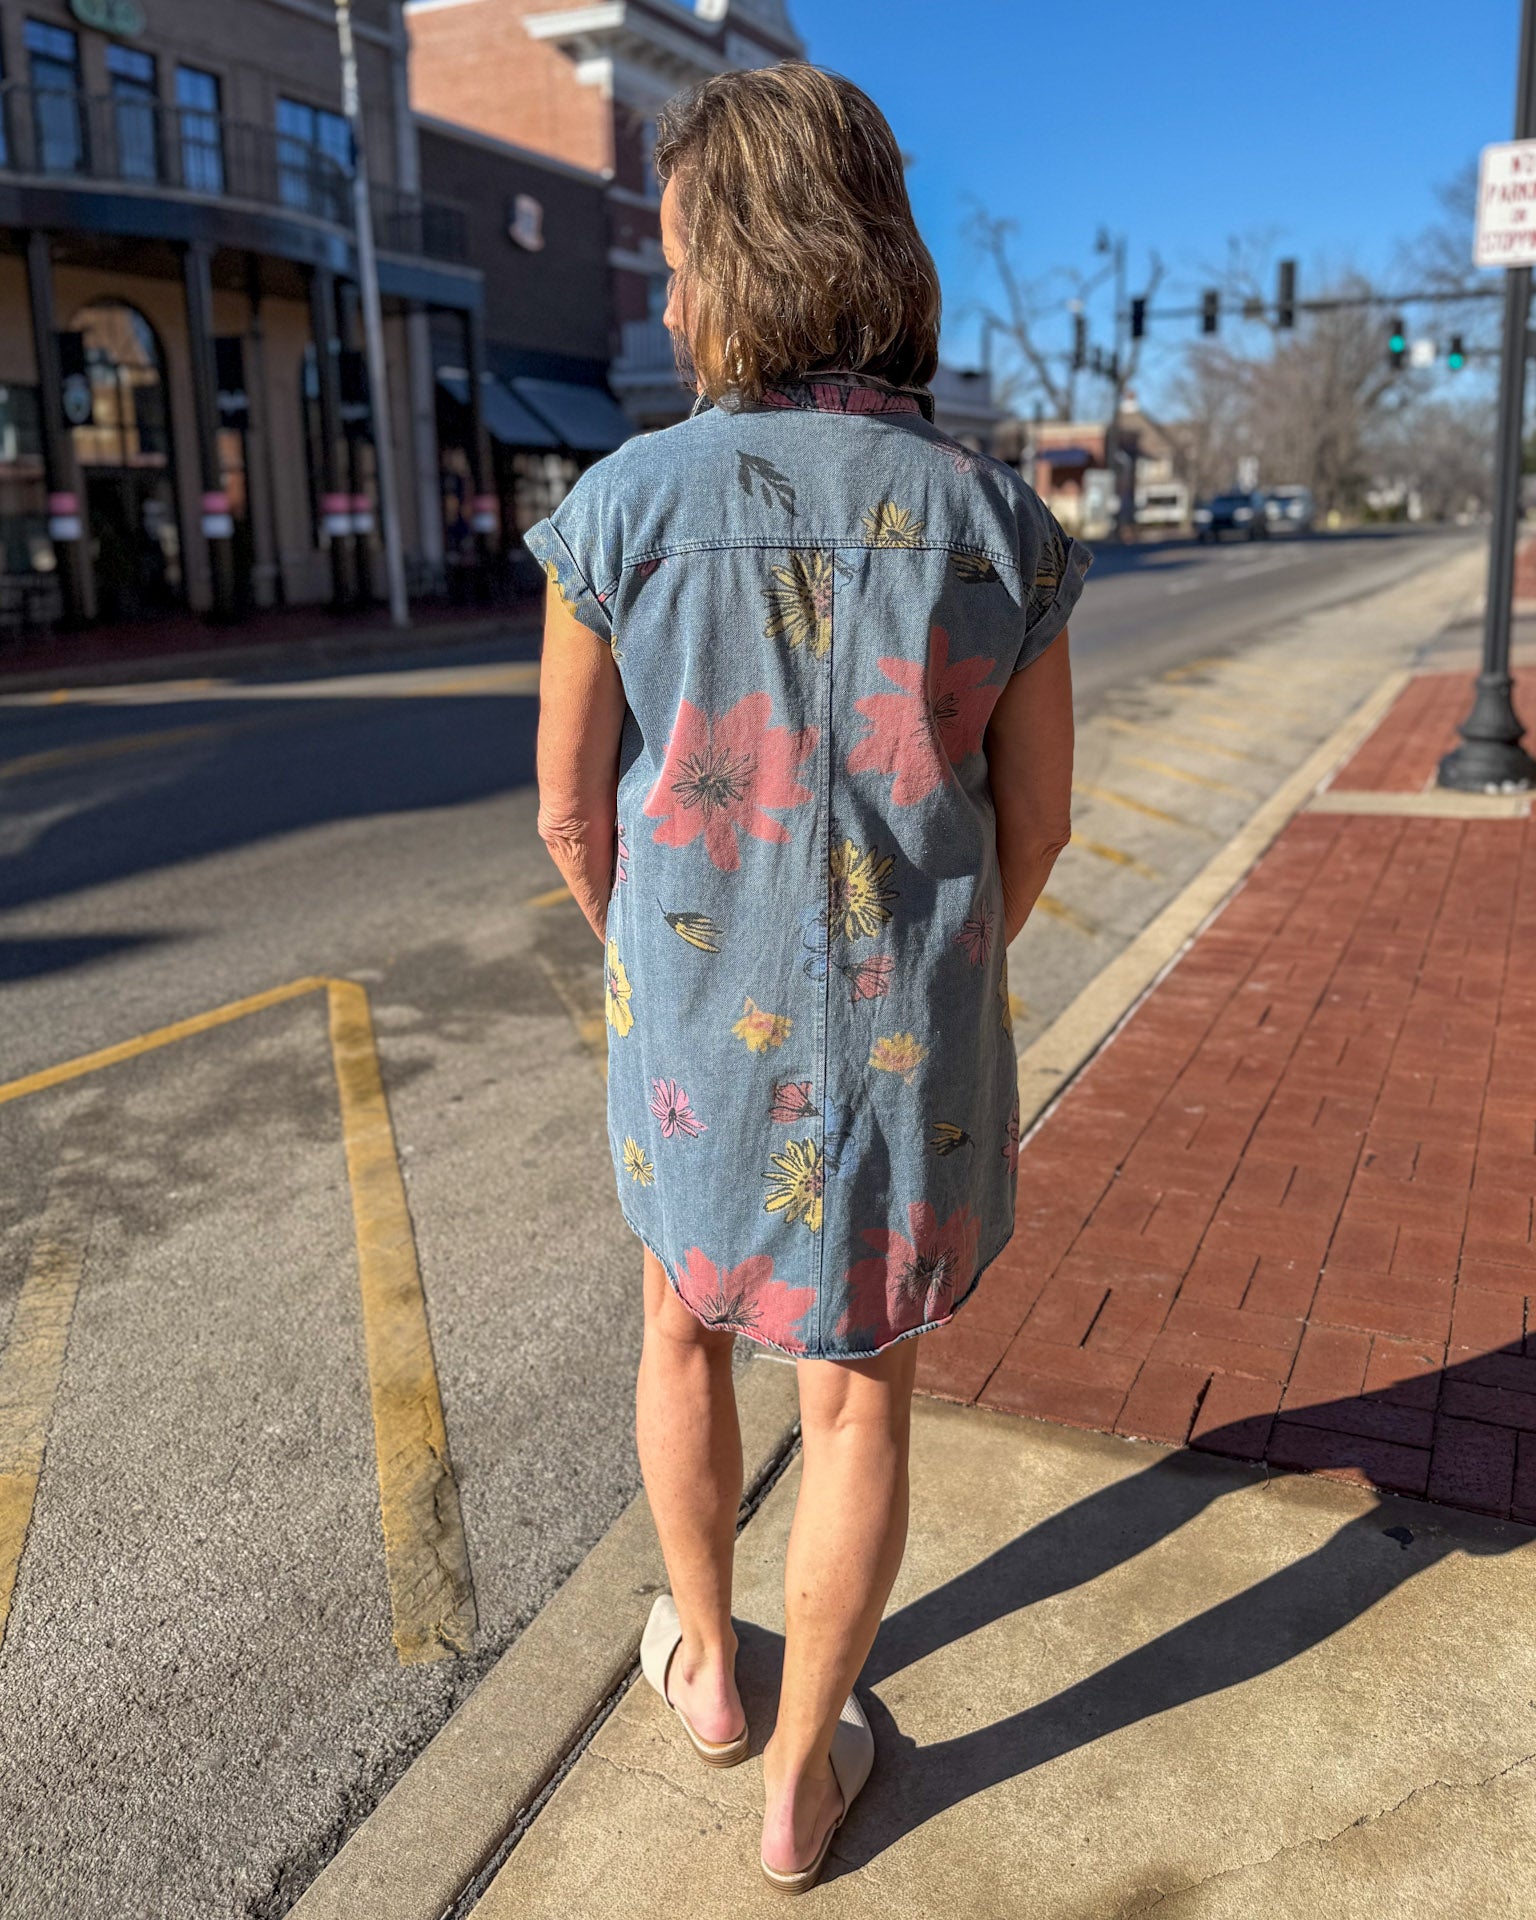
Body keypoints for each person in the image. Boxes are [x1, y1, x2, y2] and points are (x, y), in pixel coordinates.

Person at [526, 61, 1085, 1893]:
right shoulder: (1001, 525)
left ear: (749, 261)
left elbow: (565, 818)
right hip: (910, 1044)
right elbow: (1038, 828)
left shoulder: (618, 512)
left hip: (691, 1027)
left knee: (677, 1325)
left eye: (684, 257)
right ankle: (801, 1782)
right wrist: (916, 971)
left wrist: (675, 976)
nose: (670, 298)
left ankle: (706, 1670)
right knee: (857, 1398)